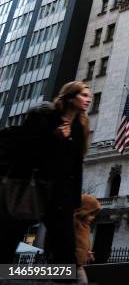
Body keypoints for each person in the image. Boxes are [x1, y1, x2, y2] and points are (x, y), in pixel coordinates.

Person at [0, 81, 91, 264]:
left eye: (89, 96)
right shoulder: (45, 117)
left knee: (65, 249)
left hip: (60, 197)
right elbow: (25, 149)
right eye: (83, 95)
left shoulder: (80, 127)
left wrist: (74, 200)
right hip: (34, 189)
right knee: (7, 241)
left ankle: (64, 279)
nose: (88, 100)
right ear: (70, 97)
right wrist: (53, 138)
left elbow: (76, 166)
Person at [74, 194, 101, 284]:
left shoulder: (86, 227)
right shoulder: (74, 223)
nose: (93, 217)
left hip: (79, 264)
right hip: (70, 263)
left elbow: (83, 243)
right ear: (83, 211)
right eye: (91, 214)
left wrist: (87, 251)